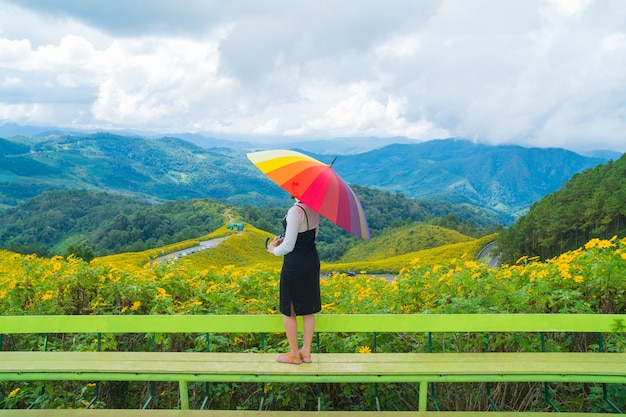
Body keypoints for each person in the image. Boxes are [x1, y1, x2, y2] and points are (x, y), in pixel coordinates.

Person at [267, 198, 321, 364]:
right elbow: (313, 234)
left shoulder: (295, 211)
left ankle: (294, 354)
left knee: (288, 308)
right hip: (311, 261)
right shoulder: (314, 207)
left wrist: (273, 249)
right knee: (308, 308)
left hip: (295, 265)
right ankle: (306, 352)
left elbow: (289, 246)